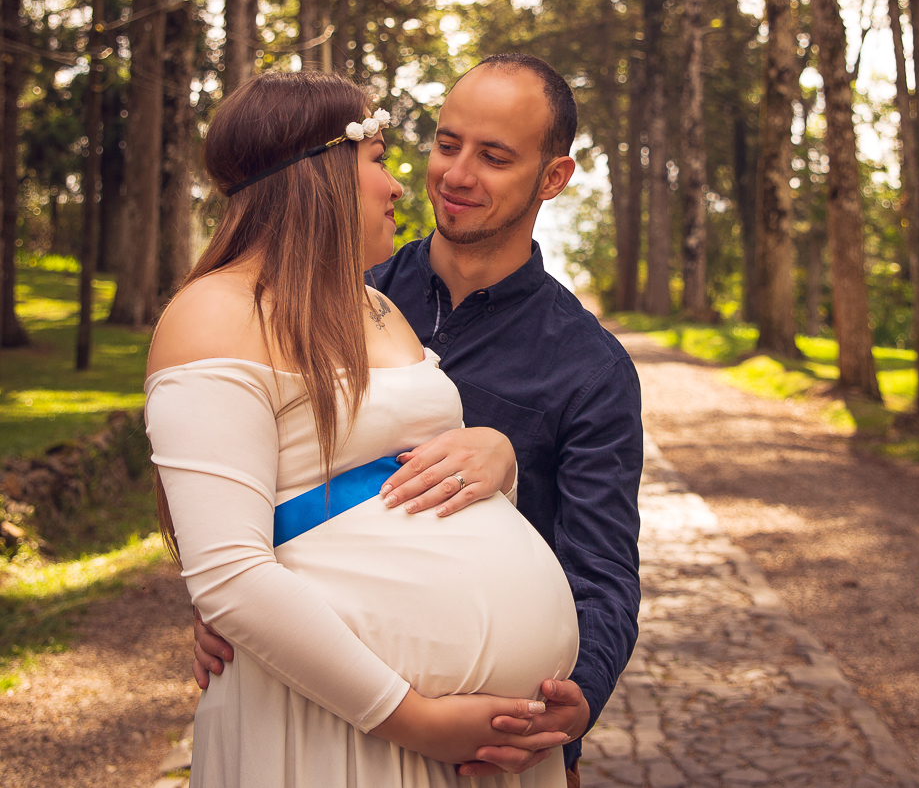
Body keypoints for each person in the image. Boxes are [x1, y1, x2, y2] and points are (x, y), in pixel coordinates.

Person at [192, 55, 644, 783]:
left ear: (552, 178)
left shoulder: (591, 367)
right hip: (328, 720)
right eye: (446, 143)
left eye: (494, 157)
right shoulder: (332, 298)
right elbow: (236, 473)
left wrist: (582, 694)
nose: (456, 175)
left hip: (502, 752)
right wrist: (222, 596)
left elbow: (603, 568)